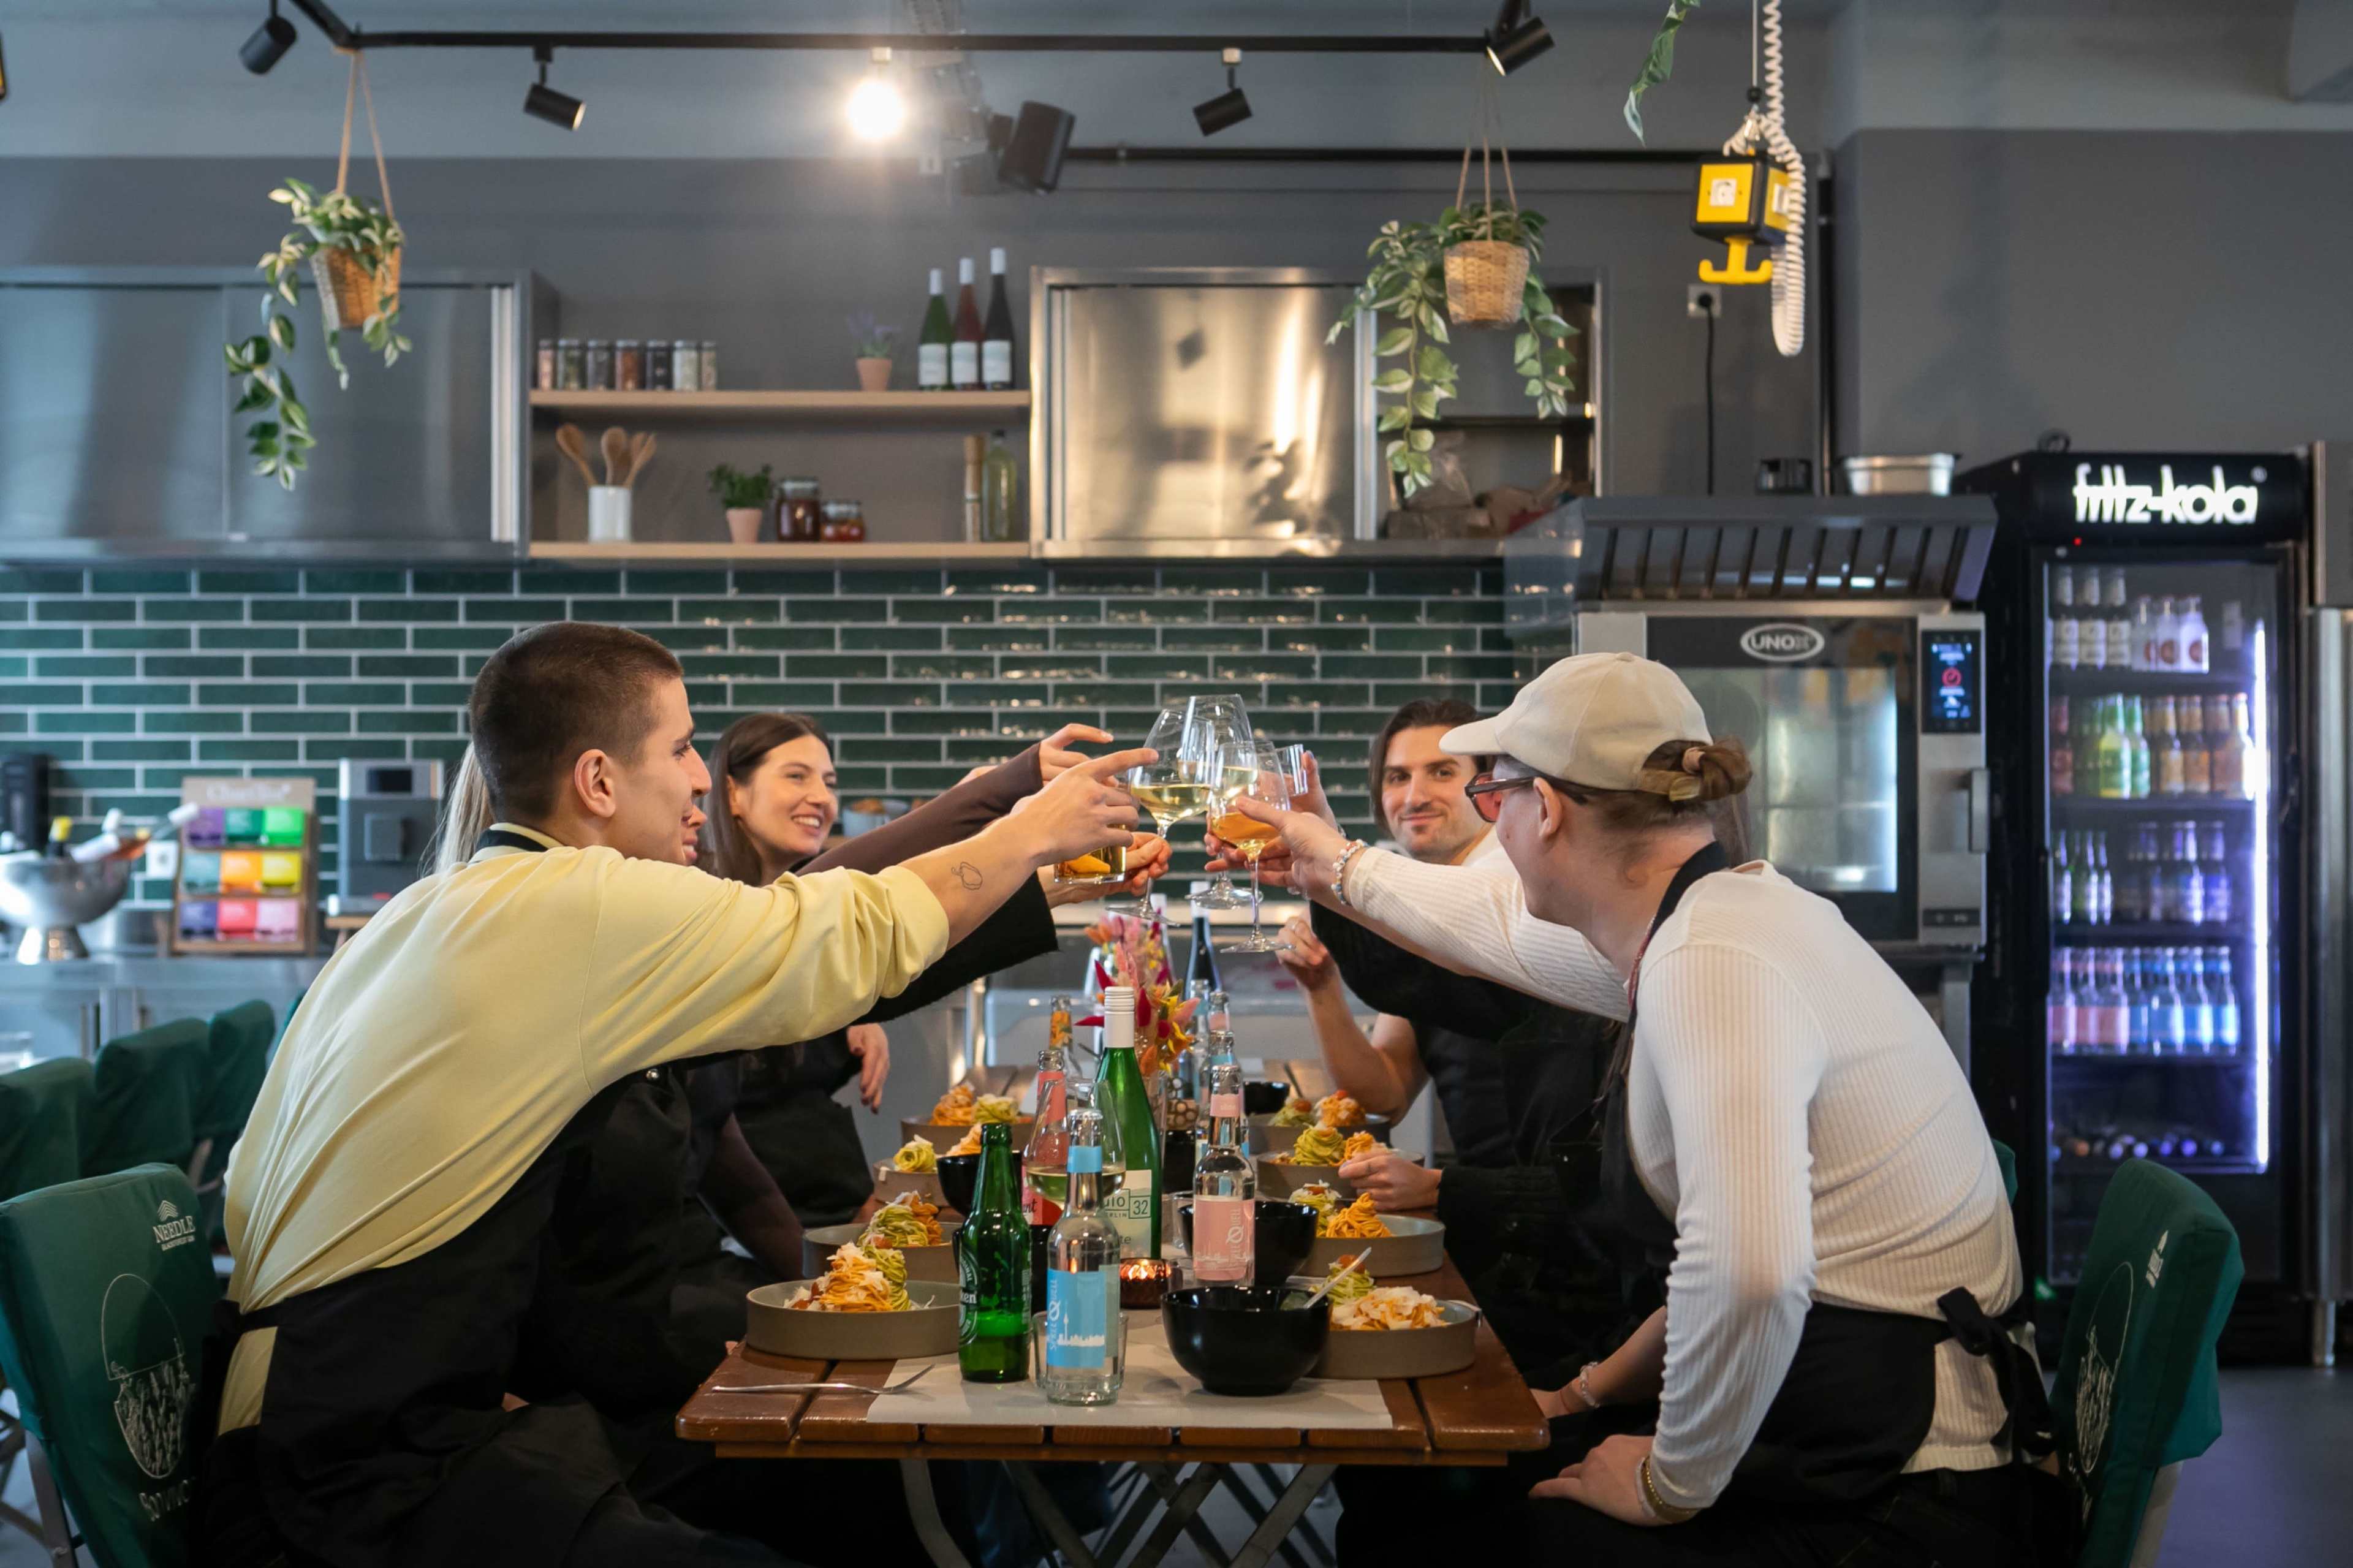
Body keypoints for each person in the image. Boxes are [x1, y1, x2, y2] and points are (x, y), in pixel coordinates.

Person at [197, 621, 1148, 1567]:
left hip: (340, 1414)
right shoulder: (577, 903)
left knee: (882, 1488)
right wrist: (1028, 832)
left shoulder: (430, 910)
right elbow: (841, 926)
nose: (703, 778)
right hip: (351, 1468)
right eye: (684, 747)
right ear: (600, 782)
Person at [1228, 651, 2063, 1566]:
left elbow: (1748, 1274)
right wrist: (1333, 865)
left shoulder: (1712, 961)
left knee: (1487, 1538)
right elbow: (1490, 931)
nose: (1486, 824)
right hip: (1839, 1430)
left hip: (1902, 1495)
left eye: (1489, 796)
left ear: (1542, 811)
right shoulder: (1714, 919)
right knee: (1439, 1504)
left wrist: (1672, 1481)